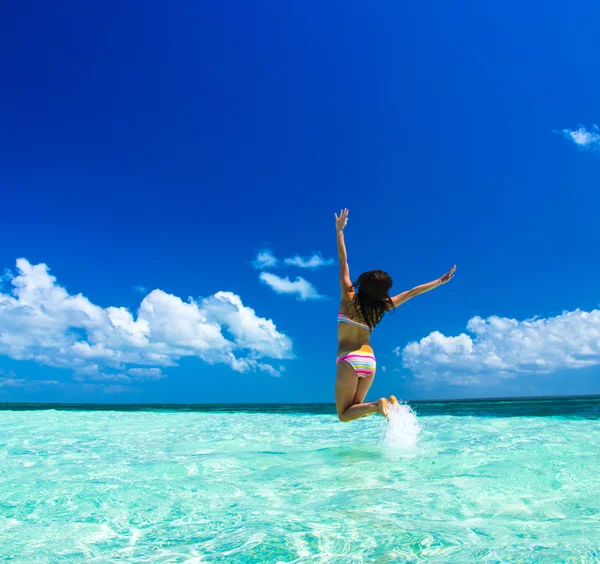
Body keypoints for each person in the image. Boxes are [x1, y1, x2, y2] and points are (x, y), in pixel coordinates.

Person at [334, 208, 456, 422]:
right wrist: (439, 281)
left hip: (348, 359)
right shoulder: (382, 307)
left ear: (363, 284)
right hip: (369, 360)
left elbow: (343, 260)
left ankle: (378, 404)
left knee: (344, 414)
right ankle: (386, 403)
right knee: (356, 407)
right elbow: (413, 292)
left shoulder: (348, 295)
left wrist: (340, 231)